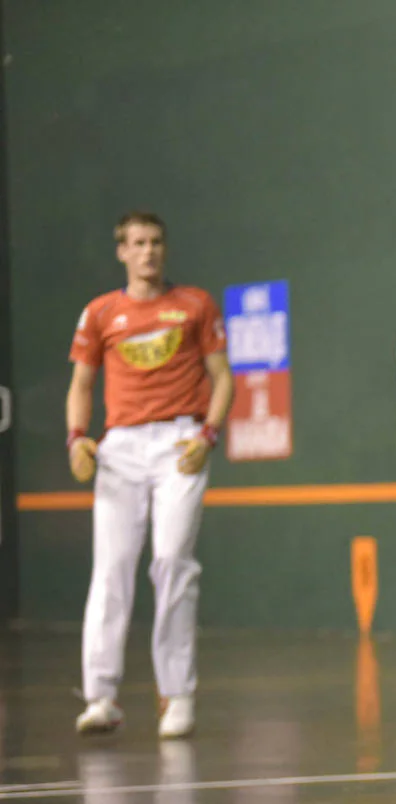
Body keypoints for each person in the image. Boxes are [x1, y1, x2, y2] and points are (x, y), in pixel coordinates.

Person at [66, 211, 233, 739]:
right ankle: (101, 697)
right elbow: (81, 384)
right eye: (138, 243)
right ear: (122, 251)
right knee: (111, 569)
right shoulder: (100, 314)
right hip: (120, 450)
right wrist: (77, 438)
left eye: (157, 242)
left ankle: (177, 695)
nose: (149, 252)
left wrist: (207, 436)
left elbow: (223, 378)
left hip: (179, 444)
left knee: (172, 561)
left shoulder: (195, 305)